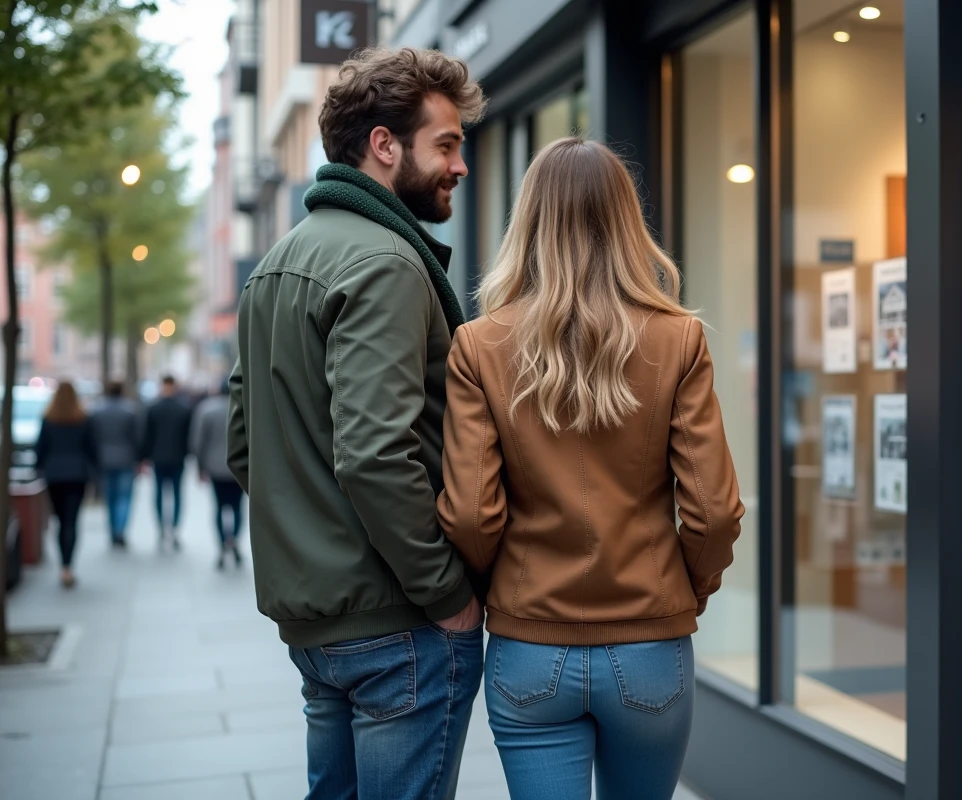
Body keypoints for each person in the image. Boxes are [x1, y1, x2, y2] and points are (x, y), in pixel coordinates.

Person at [437, 138, 744, 800]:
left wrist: (505, 582)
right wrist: (692, 584)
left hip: (527, 647)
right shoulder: (678, 338)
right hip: (650, 646)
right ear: (627, 222)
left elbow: (468, 513)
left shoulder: (478, 345)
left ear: (530, 222)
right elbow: (714, 511)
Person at [227, 47, 487, 800]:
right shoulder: (386, 264)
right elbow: (375, 455)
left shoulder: (276, 264)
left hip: (318, 626)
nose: (461, 164)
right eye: (446, 143)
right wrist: (446, 595)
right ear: (383, 145)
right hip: (399, 621)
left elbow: (245, 447)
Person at [36, 381, 95, 588]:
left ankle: (63, 564)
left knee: (60, 521)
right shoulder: (83, 419)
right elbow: (91, 449)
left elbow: (40, 449)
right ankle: (68, 566)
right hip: (77, 475)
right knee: (71, 520)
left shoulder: (48, 419)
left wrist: (39, 469)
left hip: (54, 475)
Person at [190, 381, 244, 570]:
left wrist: (200, 468)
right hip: (238, 468)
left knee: (219, 506)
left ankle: (222, 542)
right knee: (237, 507)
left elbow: (198, 442)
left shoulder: (206, 410)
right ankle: (234, 539)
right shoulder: (243, 408)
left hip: (215, 467)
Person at [142, 375, 192, 549]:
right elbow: (188, 437)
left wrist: (144, 457)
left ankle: (162, 528)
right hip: (178, 457)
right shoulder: (183, 408)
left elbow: (147, 436)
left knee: (159, 494)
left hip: (159, 458)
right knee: (177, 494)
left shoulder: (153, 408)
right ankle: (174, 528)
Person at [88, 381, 140, 548]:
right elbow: (137, 437)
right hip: (126, 458)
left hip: (103, 460)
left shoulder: (97, 410)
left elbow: (92, 437)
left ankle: (112, 530)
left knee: (109, 497)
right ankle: (120, 530)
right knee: (124, 497)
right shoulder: (130, 410)